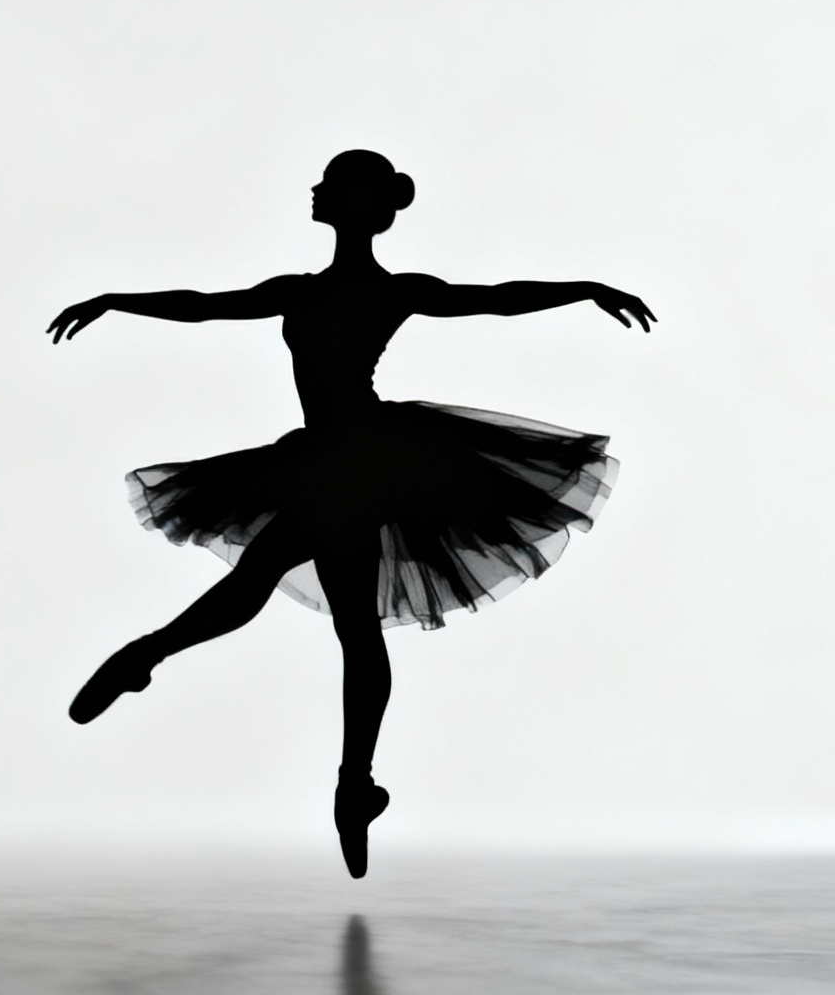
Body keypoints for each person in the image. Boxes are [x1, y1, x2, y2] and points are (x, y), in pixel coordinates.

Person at [47, 149, 652, 877]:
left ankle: (158, 662)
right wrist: (119, 301)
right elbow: (203, 304)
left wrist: (582, 288)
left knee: (282, 590)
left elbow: (495, 295)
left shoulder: (341, 293)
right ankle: (348, 783)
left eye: (327, 184)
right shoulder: (340, 291)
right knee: (342, 623)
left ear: (353, 204)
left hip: (352, 459)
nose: (311, 189)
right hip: (348, 459)